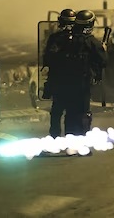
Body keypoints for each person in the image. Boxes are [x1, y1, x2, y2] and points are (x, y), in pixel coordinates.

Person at [46, 10, 107, 141]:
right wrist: (103, 50)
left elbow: (48, 58)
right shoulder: (90, 41)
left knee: (63, 112)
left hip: (62, 83)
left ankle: (60, 139)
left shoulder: (61, 39)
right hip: (81, 85)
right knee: (81, 113)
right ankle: (80, 140)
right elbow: (103, 61)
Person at [42, 8, 76, 138]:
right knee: (70, 112)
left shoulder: (55, 38)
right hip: (73, 81)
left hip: (59, 80)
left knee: (57, 111)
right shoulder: (80, 39)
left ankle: (56, 137)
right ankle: (69, 137)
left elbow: (48, 58)